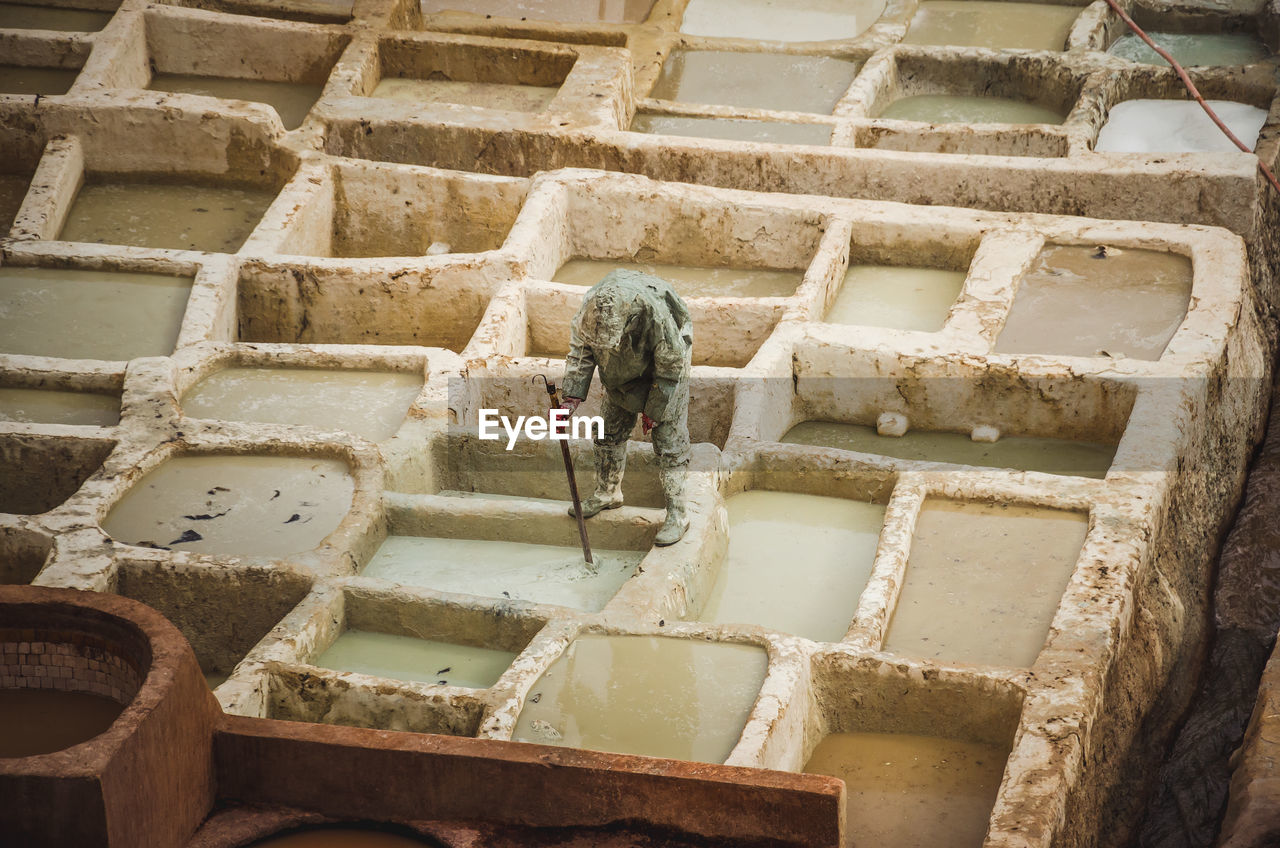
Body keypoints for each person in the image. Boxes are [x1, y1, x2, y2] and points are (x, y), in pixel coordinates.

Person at [560, 269, 692, 546]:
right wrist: (572, 395)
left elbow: (671, 365)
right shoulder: (590, 310)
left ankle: (678, 512)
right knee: (608, 432)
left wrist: (654, 411)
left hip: (667, 370)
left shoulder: (654, 315)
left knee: (669, 442)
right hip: (619, 372)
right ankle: (608, 493)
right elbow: (581, 350)